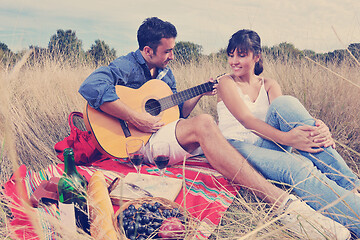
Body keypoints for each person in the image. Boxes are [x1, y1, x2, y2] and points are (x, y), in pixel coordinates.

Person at [79, 17, 350, 239]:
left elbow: (176, 114)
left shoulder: (166, 74)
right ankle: (285, 206)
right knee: (206, 124)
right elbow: (91, 87)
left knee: (203, 123)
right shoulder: (125, 67)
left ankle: (350, 188)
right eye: (167, 51)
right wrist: (135, 118)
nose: (173, 55)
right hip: (133, 140)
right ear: (147, 51)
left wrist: (195, 94)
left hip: (159, 133)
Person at [216, 28, 360, 237]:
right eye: (231, 54)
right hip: (237, 146)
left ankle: (352, 186)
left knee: (286, 102)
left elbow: (287, 117)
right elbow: (246, 121)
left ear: (256, 56)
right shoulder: (225, 82)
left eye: (241, 54)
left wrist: (318, 127)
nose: (234, 61)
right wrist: (287, 139)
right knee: (298, 165)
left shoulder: (269, 84)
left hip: (267, 143)